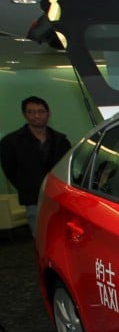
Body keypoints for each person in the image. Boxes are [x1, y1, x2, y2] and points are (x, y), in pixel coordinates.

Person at [0, 96, 71, 237]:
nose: (36, 115)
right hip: (33, 197)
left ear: (48, 113)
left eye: (41, 111)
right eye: (31, 112)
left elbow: (67, 166)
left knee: (62, 236)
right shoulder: (11, 142)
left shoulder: (61, 140)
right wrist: (26, 184)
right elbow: (10, 169)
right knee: (40, 236)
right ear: (24, 115)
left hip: (60, 196)